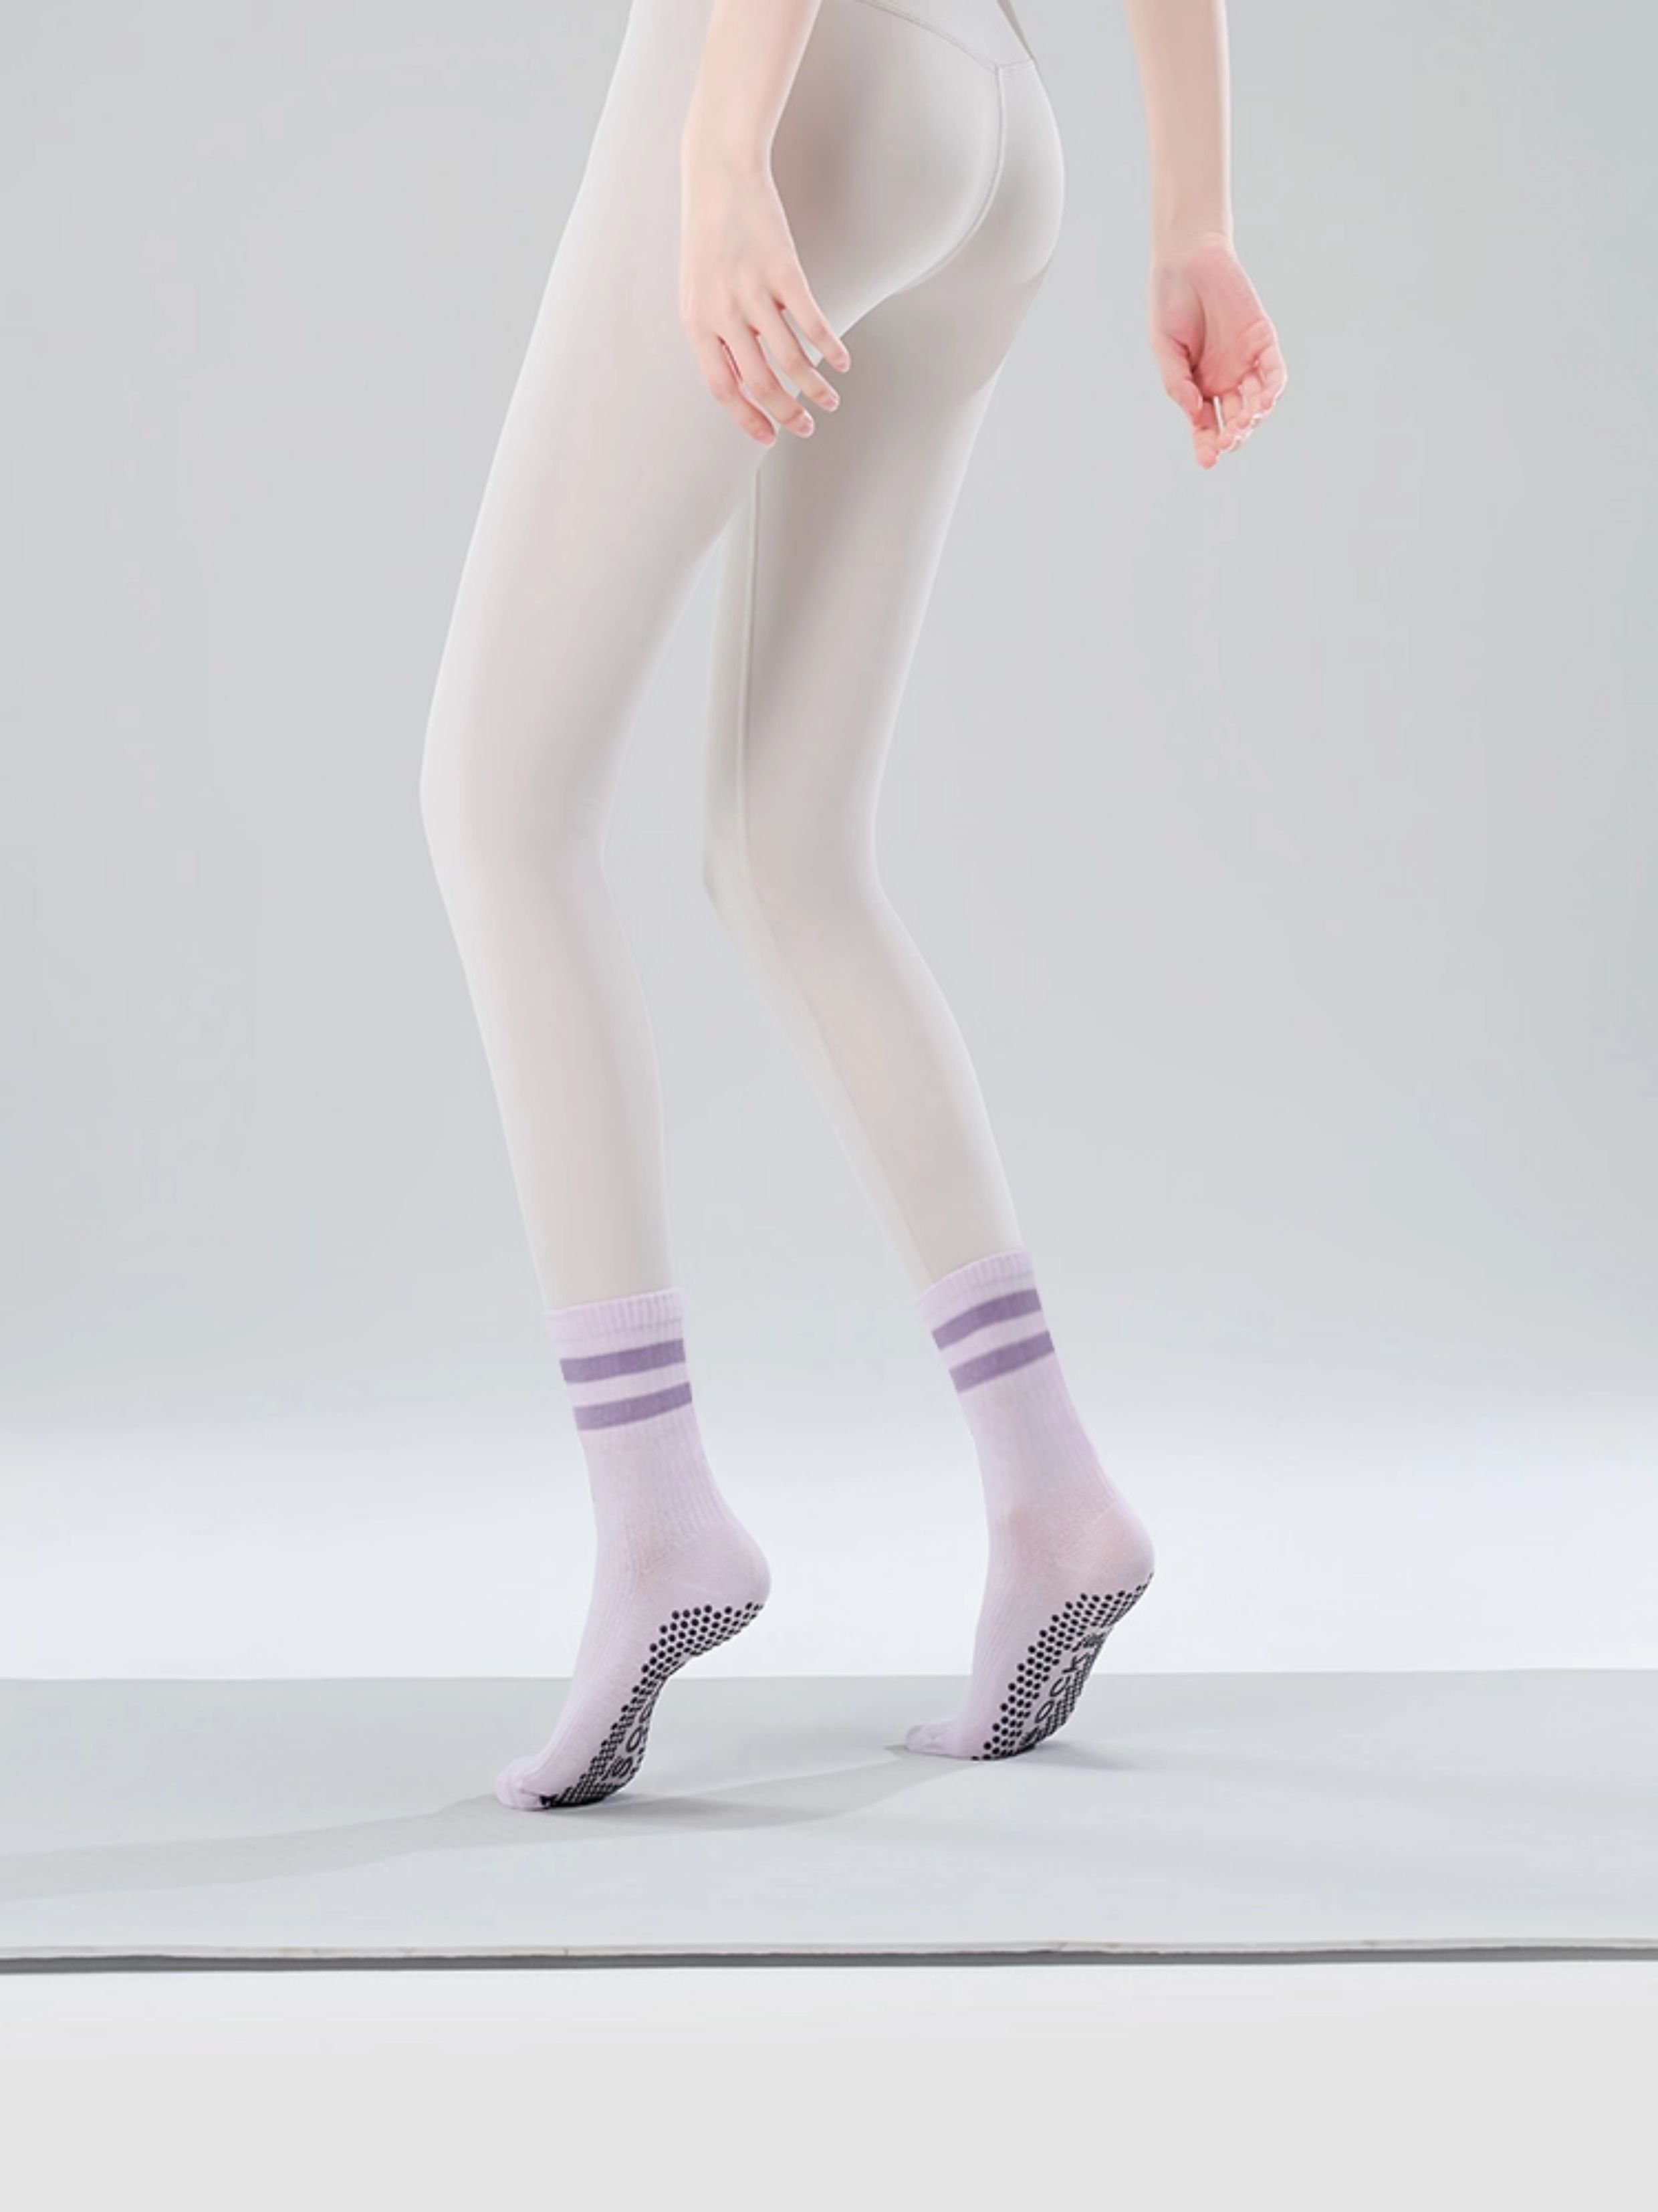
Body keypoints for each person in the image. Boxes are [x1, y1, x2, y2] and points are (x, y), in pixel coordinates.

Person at [419, 0, 1286, 1810]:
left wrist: (725, 143)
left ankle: (657, 1516)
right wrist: (1194, 218)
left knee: (499, 801)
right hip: (999, 126)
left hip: (806, 78)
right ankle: (1051, 1493)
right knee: (793, 848)